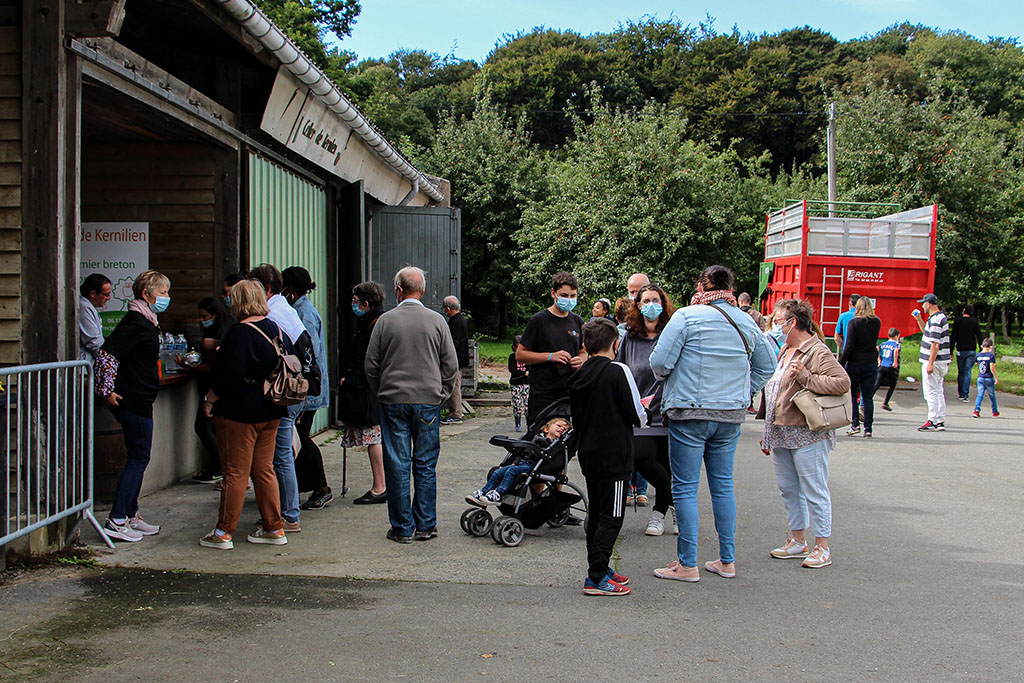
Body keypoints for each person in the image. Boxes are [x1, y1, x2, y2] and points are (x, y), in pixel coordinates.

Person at [650, 265, 775, 582]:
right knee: (722, 486)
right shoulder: (746, 320)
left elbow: (660, 362)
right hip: (730, 414)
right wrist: (745, 391)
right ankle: (727, 560)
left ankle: (687, 563)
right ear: (730, 287)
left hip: (690, 412)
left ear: (701, 286)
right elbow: (767, 364)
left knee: (685, 488)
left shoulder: (686, 317)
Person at [366, 266, 459, 543]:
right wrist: (440, 393)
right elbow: (451, 365)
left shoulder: (384, 321)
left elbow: (371, 365)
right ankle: (426, 524)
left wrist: (382, 391)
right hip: (428, 400)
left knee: (397, 463)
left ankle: (402, 527)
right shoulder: (437, 321)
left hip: (393, 400)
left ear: (398, 290)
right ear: (423, 290)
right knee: (425, 463)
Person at [198, 279, 288, 549]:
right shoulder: (273, 328)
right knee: (264, 470)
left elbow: (227, 376)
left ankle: (224, 532)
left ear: (238, 301)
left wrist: (210, 399)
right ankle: (274, 527)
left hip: (240, 411)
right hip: (271, 408)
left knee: (235, 473)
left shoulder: (239, 333)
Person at [761, 299, 850, 570]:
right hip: (782, 431)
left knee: (814, 488)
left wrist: (807, 377)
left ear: (793, 323)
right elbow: (774, 391)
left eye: (778, 322)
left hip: (808, 433)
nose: (775, 327)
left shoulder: (816, 351)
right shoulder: (786, 349)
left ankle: (822, 546)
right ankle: (798, 540)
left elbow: (842, 382)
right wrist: (768, 432)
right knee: (789, 489)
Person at [569, 318, 645, 596]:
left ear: (585, 345)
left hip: (589, 453)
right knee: (612, 516)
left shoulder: (579, 374)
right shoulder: (618, 370)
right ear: (616, 343)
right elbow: (637, 416)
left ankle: (598, 565)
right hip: (615, 455)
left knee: (598, 515)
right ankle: (596, 576)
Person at [93, 270, 170, 542]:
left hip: (142, 397)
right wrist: (106, 390)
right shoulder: (136, 321)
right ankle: (116, 518)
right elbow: (107, 354)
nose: (166, 298)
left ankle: (130, 514)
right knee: (138, 458)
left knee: (140, 457)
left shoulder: (146, 320)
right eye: (162, 293)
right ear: (146, 295)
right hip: (132, 399)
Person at [248, 263, 320, 532]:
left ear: (265, 289)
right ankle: (287, 512)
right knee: (283, 454)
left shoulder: (272, 314)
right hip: (294, 389)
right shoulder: (286, 310)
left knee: (280, 456)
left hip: (282, 392)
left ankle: (288, 514)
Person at [616, 283, 676, 536]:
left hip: (670, 410)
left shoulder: (673, 333)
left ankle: (660, 513)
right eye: (646, 301)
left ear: (663, 303)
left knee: (668, 464)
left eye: (656, 300)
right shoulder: (630, 338)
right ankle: (679, 503)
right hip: (640, 414)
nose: (651, 305)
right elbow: (620, 369)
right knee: (642, 458)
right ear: (638, 306)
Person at [282, 266, 332, 510]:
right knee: (299, 438)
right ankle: (312, 484)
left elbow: (307, 354)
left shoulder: (304, 314)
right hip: (303, 388)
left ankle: (321, 486)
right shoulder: (297, 310)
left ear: (289, 289)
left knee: (301, 438)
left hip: (306, 389)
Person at [516, 272, 586, 424]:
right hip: (543, 394)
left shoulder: (577, 321)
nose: (568, 300)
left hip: (570, 393)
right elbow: (520, 354)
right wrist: (549, 356)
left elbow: (584, 350)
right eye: (564, 295)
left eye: (573, 296)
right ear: (553, 293)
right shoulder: (538, 321)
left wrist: (580, 360)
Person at [341, 281, 388, 505]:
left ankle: (380, 486)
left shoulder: (373, 324)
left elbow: (367, 359)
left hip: (367, 388)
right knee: (375, 437)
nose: (353, 305)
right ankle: (382, 484)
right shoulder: (376, 321)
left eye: (355, 302)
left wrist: (351, 379)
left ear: (366, 303)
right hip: (372, 387)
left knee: (374, 437)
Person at [465, 417, 570, 506]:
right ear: (546, 429)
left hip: (534, 467)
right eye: (559, 426)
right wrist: (515, 461)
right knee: (498, 472)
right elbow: (524, 452)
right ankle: (483, 492)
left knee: (512, 471)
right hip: (523, 462)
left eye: (564, 429)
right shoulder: (537, 438)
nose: (561, 429)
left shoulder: (554, 444)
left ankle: (498, 494)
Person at [193, 296, 232, 484]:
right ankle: (219, 467)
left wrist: (189, 367)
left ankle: (220, 467)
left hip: (213, 387)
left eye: (205, 316)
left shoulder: (223, 331)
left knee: (203, 426)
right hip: (209, 386)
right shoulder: (212, 330)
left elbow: (213, 366)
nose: (202, 320)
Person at [840, 296, 882, 438]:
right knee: (867, 397)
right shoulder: (876, 322)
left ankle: (855, 424)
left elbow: (849, 345)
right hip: (871, 362)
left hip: (855, 363)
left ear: (856, 307)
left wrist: (841, 362)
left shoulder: (854, 323)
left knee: (852, 395)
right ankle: (868, 428)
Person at [913, 293, 951, 432]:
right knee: (938, 390)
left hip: (934, 361)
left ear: (928, 304)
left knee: (931, 392)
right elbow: (927, 334)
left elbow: (935, 343)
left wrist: (930, 363)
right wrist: (918, 320)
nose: (922, 306)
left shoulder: (936, 320)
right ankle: (940, 419)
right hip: (941, 361)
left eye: (923, 303)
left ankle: (932, 420)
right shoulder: (937, 318)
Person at [442, 296, 469, 425]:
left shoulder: (455, 322)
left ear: (448, 308)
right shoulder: (460, 320)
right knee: (454, 385)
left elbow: (453, 344)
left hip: (455, 360)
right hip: (459, 359)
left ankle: (456, 413)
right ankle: (456, 411)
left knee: (453, 386)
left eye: (445, 309)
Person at [951, 304, 984, 403]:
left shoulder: (958, 321)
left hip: (960, 349)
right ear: (972, 312)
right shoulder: (974, 322)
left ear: (964, 310)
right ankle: (965, 394)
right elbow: (979, 335)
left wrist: (950, 350)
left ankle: (961, 393)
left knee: (961, 372)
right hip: (971, 350)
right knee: (967, 372)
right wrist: (981, 349)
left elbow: (953, 336)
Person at [79, 273, 111, 362]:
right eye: (106, 294)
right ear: (93, 293)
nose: (108, 298)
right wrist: (108, 360)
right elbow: (93, 341)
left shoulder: (88, 307)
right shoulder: (84, 308)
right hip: (85, 366)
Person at [875, 328, 901, 412]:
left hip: (882, 365)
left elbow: (878, 349)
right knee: (893, 384)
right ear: (897, 336)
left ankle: (866, 399)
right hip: (890, 366)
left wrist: (879, 360)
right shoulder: (896, 344)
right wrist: (895, 362)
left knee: (877, 384)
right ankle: (885, 403)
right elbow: (896, 351)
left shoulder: (883, 344)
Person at [973, 338, 999, 418]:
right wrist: (996, 377)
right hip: (988, 378)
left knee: (980, 394)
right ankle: (994, 411)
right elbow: (992, 367)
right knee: (992, 395)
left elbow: (977, 363)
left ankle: (976, 410)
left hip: (980, 377)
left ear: (982, 346)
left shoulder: (978, 355)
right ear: (991, 347)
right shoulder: (990, 356)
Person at [508, 336, 529, 432]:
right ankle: (518, 423)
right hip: (516, 383)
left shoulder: (527, 357)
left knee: (527, 404)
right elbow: (512, 369)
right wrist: (524, 373)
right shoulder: (512, 357)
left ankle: (529, 423)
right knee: (517, 404)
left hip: (526, 384)